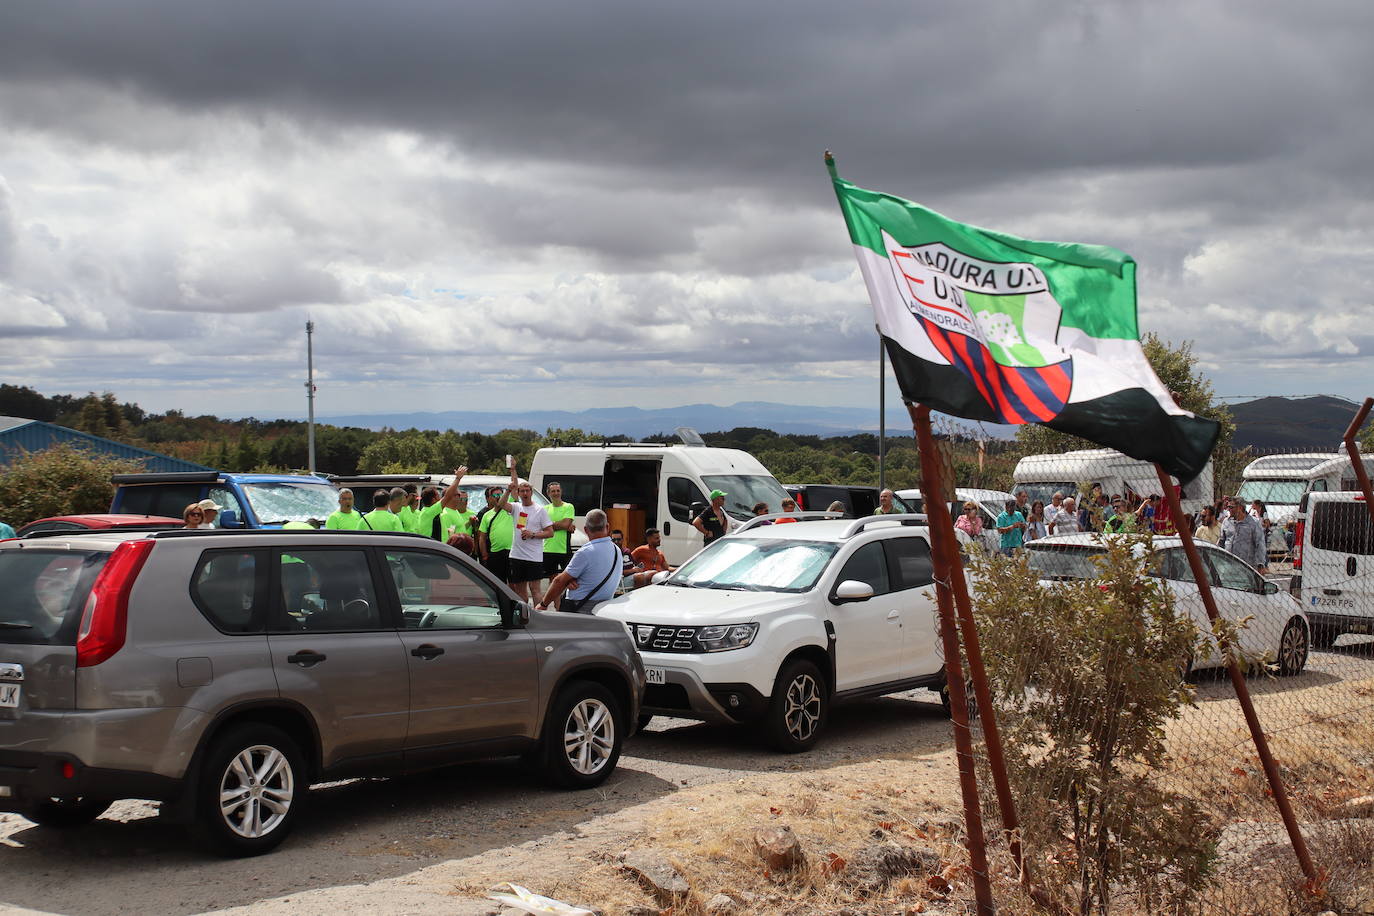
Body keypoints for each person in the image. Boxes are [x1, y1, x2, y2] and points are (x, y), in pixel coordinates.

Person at [536, 509, 620, 614]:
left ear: (585, 529)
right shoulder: (617, 551)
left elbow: (559, 581)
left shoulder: (586, 552)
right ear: (607, 527)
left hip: (580, 608)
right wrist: (570, 580)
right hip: (604, 608)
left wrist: (543, 604)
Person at [507, 473, 553, 601]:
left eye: (527, 490)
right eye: (522, 491)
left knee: (535, 589)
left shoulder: (540, 510)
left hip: (534, 556)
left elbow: (550, 532)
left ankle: (539, 614)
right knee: (520, 589)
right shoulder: (516, 507)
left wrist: (533, 534)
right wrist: (508, 491)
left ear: (531, 492)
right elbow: (501, 505)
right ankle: (525, 615)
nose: (525, 493)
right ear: (519, 493)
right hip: (517, 555)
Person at [477, 467, 517, 583]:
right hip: (495, 554)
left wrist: (513, 469)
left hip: (512, 552)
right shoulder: (487, 515)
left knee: (514, 583)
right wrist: (484, 555)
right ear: (490, 499)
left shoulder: (511, 509)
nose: (498, 497)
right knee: (498, 583)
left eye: (500, 494)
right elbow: (482, 537)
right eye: (495, 495)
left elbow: (514, 487)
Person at [416, 468, 472, 541]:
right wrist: (458, 478)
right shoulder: (429, 512)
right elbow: (447, 496)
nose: (440, 499)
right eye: (438, 496)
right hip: (433, 548)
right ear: (433, 500)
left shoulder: (430, 512)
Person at [543, 482, 576, 587]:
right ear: (548, 493)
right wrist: (561, 525)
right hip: (548, 550)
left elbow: (566, 524)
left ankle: (567, 603)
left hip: (564, 550)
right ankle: (557, 604)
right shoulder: (545, 509)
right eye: (553, 491)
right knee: (553, 583)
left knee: (569, 581)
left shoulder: (568, 506)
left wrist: (549, 525)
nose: (556, 493)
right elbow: (541, 526)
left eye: (558, 491)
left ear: (561, 492)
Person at [1226, 499, 1268, 572]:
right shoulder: (1226, 522)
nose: (1228, 509)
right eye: (1228, 507)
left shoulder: (1254, 523)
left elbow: (1260, 544)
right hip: (1228, 565)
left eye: (1231, 507)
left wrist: (1260, 564)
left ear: (1240, 508)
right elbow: (1221, 541)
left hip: (1247, 566)